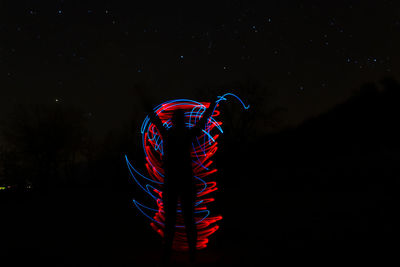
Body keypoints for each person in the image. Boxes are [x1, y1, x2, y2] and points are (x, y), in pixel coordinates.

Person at [149, 103, 214, 264]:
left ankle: (168, 255)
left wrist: (145, 102)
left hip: (173, 181)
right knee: (188, 218)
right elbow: (202, 123)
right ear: (183, 120)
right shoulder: (187, 134)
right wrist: (212, 106)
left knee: (172, 219)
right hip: (185, 180)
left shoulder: (168, 134)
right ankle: (191, 254)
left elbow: (155, 120)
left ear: (173, 120)